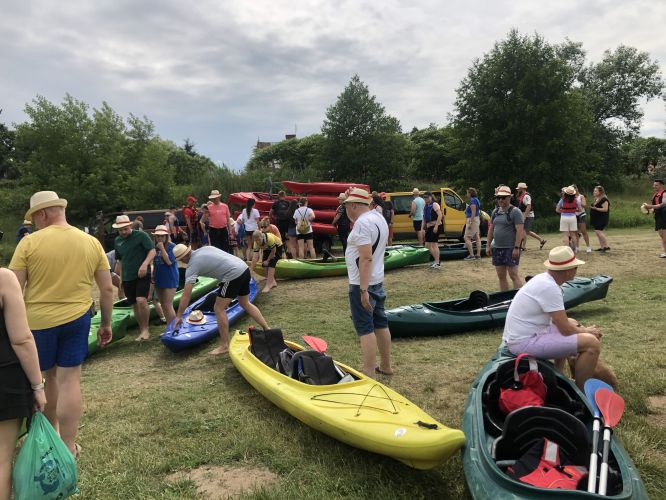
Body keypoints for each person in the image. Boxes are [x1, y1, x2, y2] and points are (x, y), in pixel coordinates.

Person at [9, 190, 113, 457]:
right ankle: (68, 446)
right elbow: (107, 289)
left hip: (38, 322)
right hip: (77, 319)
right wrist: (107, 323)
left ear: (43, 213)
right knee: (70, 380)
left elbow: (13, 289)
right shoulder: (90, 242)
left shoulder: (28, 244)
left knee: (44, 381)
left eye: (35, 216)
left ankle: (51, 438)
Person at [502, 246, 603, 390]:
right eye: (575, 267)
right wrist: (587, 331)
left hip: (520, 337)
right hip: (523, 342)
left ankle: (558, 375)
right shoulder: (550, 287)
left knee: (573, 322)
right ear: (568, 270)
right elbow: (566, 330)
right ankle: (581, 391)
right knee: (592, 343)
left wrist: (580, 330)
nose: (576, 270)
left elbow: (561, 322)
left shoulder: (544, 280)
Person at [0, 268, 47, 499]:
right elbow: (21, 339)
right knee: (1, 460)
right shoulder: (3, 278)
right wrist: (38, 386)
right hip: (5, 380)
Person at [172, 244, 269, 355]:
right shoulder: (205, 248)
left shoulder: (192, 266)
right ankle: (267, 329)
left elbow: (186, 295)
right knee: (245, 303)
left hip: (233, 275)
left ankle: (224, 346)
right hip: (244, 269)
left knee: (218, 308)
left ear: (184, 257)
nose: (181, 262)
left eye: (180, 260)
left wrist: (179, 316)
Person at [342, 188, 393, 378]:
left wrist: (363, 290)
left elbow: (366, 258)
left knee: (365, 328)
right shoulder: (378, 217)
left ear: (353, 205)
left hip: (362, 284)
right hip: (377, 280)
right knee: (381, 323)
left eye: (346, 205)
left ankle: (369, 373)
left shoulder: (362, 224)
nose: (345, 209)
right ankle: (386, 366)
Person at [112, 214, 156, 341]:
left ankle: (146, 329)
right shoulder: (117, 241)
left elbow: (152, 251)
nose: (123, 232)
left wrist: (145, 264)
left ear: (130, 225)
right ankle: (142, 329)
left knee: (141, 300)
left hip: (142, 273)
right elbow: (120, 260)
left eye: (125, 229)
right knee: (135, 304)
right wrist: (120, 278)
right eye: (120, 230)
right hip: (127, 276)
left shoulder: (141, 236)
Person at [486, 185, 525, 290]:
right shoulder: (495, 212)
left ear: (509, 197)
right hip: (497, 248)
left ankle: (520, 299)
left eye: (503, 197)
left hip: (510, 248)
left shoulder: (515, 211)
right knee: (501, 275)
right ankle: (505, 298)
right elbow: (491, 229)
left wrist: (516, 247)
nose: (500, 200)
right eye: (498, 197)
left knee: (513, 275)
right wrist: (488, 245)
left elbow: (520, 231)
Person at [152, 225, 179, 325]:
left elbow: (169, 262)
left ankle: (174, 328)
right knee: (163, 304)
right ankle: (169, 327)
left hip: (170, 278)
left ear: (166, 236)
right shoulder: (155, 247)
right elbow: (155, 263)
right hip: (159, 278)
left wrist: (162, 249)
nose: (159, 238)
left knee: (168, 304)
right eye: (157, 236)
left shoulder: (172, 246)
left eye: (162, 236)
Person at [515, 182, 547, 250]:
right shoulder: (522, 196)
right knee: (527, 231)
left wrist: (524, 216)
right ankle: (541, 240)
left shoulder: (526, 196)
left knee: (524, 231)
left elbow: (528, 207)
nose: (517, 190)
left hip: (528, 215)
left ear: (522, 189)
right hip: (524, 215)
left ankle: (523, 247)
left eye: (518, 189)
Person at [643, 179, 666, 258]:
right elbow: (654, 208)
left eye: (656, 185)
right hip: (658, 216)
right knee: (661, 234)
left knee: (664, 234)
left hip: (664, 215)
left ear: (661, 185)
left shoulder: (664, 193)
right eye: (654, 185)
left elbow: (663, 204)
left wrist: (650, 206)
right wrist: (648, 211)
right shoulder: (655, 195)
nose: (654, 186)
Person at [421, 191, 442, 268]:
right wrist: (423, 227)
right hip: (429, 226)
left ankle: (437, 262)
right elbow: (424, 217)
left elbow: (440, 215)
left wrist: (436, 226)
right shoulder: (425, 206)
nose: (426, 199)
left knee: (434, 244)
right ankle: (437, 260)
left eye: (427, 197)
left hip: (435, 225)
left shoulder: (434, 204)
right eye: (425, 197)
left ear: (430, 197)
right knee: (427, 245)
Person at [556, 186, 580, 251]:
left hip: (564, 217)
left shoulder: (562, 200)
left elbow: (557, 210)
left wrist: (564, 210)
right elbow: (580, 209)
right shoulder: (576, 200)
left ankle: (566, 250)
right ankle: (575, 249)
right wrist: (573, 210)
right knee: (573, 235)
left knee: (565, 235)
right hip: (573, 218)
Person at [589, 185, 610, 252]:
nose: (594, 192)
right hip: (597, 219)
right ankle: (602, 247)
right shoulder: (597, 199)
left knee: (599, 231)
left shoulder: (604, 199)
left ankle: (606, 246)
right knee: (597, 232)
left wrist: (596, 208)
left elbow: (605, 209)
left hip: (602, 219)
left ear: (600, 192)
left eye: (595, 191)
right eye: (594, 191)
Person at [463, 187, 482, 260]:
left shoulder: (473, 201)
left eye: (467, 193)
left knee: (466, 237)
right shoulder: (476, 200)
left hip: (472, 220)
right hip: (476, 219)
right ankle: (478, 255)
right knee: (477, 237)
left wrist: (470, 223)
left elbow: (473, 212)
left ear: (470, 193)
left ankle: (471, 255)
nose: (467, 194)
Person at [573, 185, 591, 253]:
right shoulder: (571, 197)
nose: (574, 190)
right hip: (574, 215)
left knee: (583, 231)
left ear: (577, 189)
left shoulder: (581, 196)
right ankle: (577, 247)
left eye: (575, 188)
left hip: (581, 215)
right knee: (575, 232)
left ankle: (588, 246)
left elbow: (584, 205)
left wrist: (578, 203)